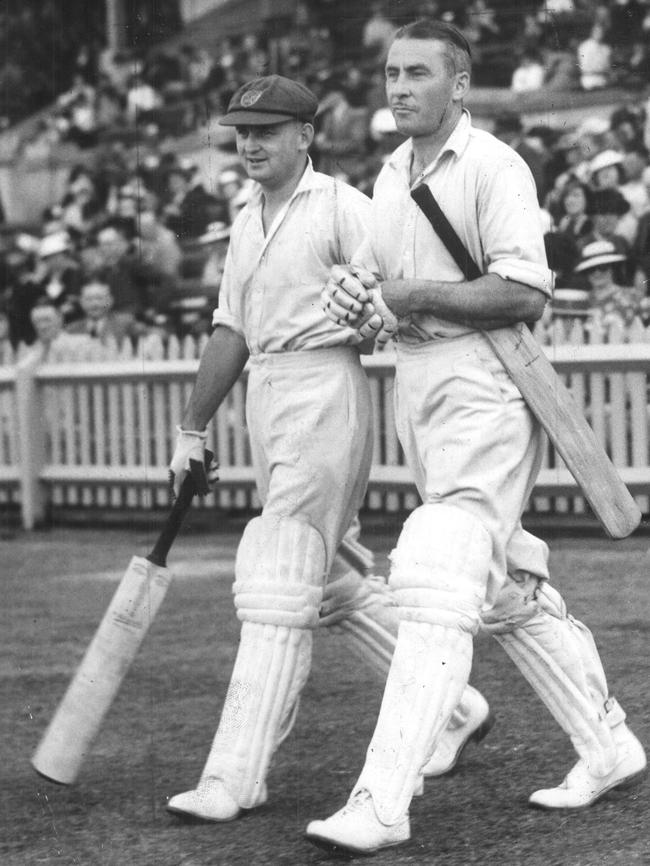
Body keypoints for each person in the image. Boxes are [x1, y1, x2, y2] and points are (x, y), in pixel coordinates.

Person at [307, 19, 647, 855]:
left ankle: (384, 799)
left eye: (418, 72)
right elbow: (398, 298)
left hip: (486, 383)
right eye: (390, 72)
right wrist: (367, 303)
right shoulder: (390, 173)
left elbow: (524, 292)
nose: (398, 87)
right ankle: (607, 745)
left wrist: (407, 291)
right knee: (495, 585)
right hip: (418, 383)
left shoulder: (495, 165)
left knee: (435, 568)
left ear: (459, 84)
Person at [163, 73, 492, 825]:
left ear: (306, 135)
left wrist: (368, 312)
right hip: (269, 396)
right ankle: (454, 706)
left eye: (267, 131)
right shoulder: (247, 219)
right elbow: (231, 331)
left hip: (324, 390)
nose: (250, 145)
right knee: (334, 581)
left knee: (279, 575)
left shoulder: (346, 206)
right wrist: (193, 428)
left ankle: (234, 776)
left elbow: (388, 303)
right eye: (242, 132)